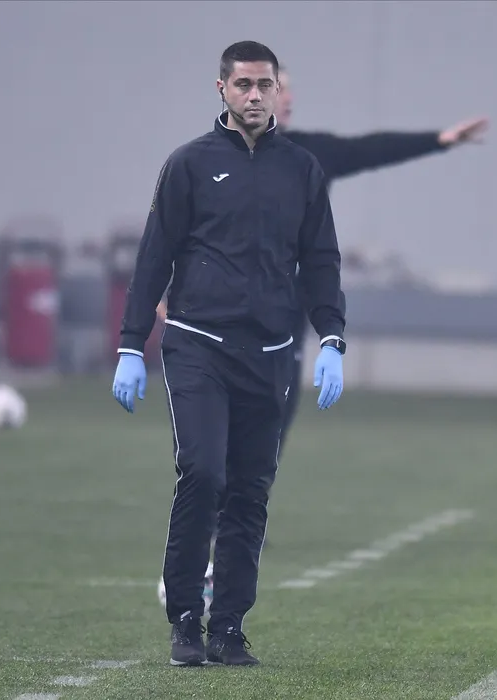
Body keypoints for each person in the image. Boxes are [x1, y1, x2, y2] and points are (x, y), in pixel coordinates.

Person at [111, 41, 347, 668]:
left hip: (270, 355)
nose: (255, 95)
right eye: (243, 84)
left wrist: (331, 337)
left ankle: (229, 628)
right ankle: (185, 618)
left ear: (277, 91)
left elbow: (321, 261)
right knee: (203, 474)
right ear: (222, 89)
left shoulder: (301, 170)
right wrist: (131, 344)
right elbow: (154, 256)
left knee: (249, 491)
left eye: (265, 85)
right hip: (199, 346)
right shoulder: (189, 164)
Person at [273, 66, 489, 458]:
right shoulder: (216, 159)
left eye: (288, 89)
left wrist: (439, 140)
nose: (289, 98)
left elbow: (370, 149)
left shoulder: (309, 154)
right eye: (279, 89)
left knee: (264, 448)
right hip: (227, 319)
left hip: (285, 321)